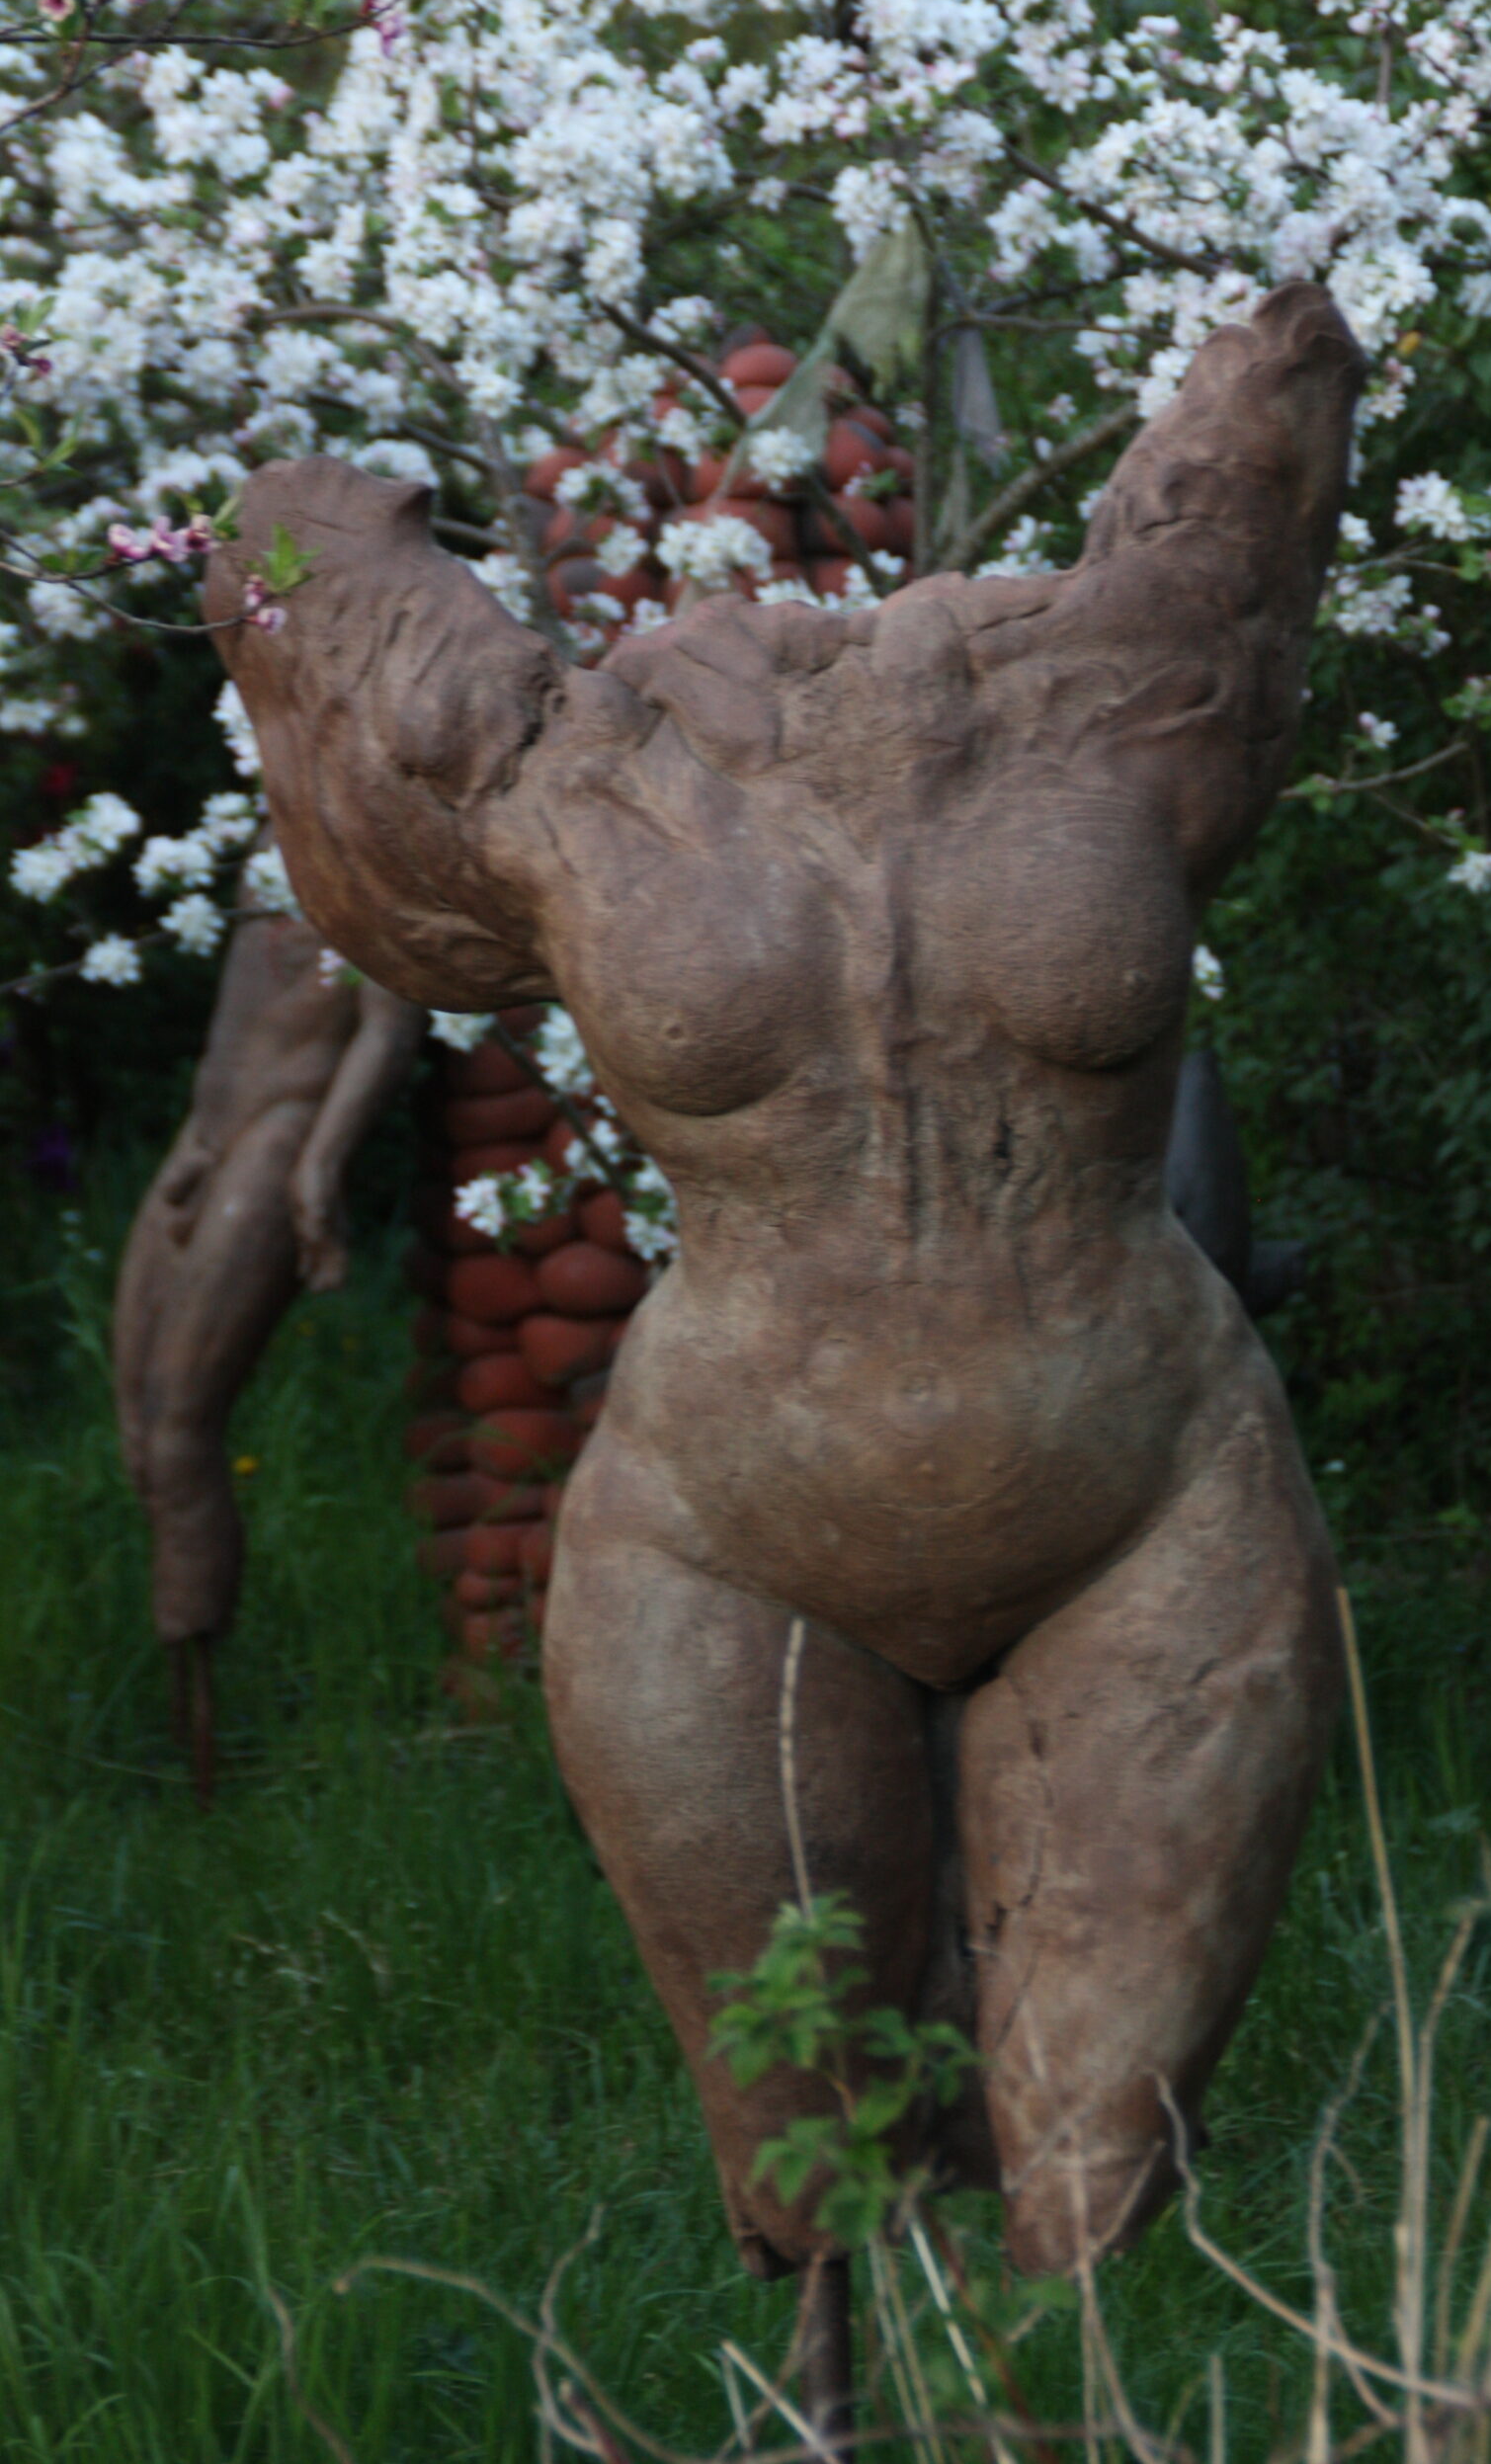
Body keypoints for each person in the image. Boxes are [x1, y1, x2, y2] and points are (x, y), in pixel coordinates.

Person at [207, 284, 1362, 2276]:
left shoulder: (1119, 702)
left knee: (1096, 2178)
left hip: (1144, 1488)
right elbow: (286, 558)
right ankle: (828, 2391)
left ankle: (1056, 2400)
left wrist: (1273, 348)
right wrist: (303, 537)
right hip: (726, 1526)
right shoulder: (554, 787)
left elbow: (1256, 455)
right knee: (806, 2169)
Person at [114, 874, 422, 1800]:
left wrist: (320, 1161)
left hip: (279, 1136)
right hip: (205, 1133)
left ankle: (206, 1759)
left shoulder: (361, 826)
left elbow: (389, 1024)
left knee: (179, 1431)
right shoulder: (264, 819)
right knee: (137, 1429)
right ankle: (180, 1715)